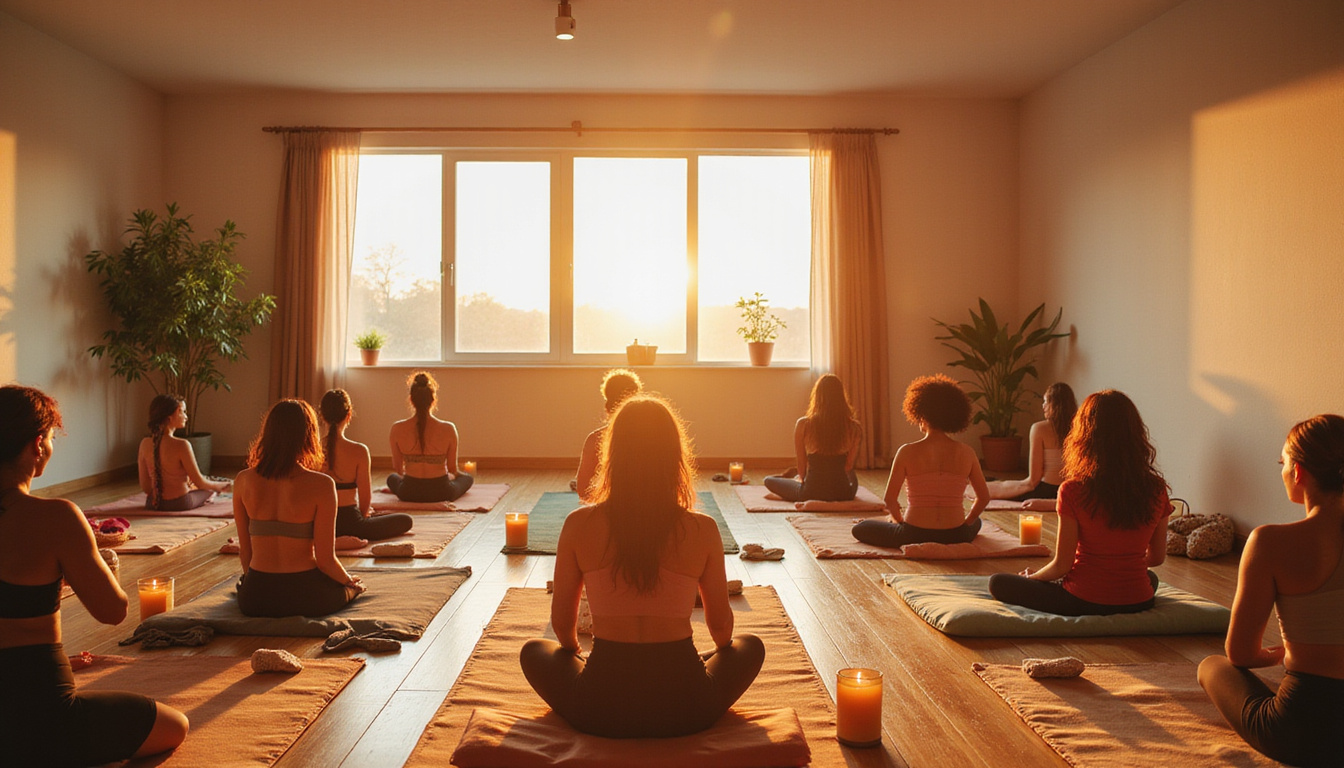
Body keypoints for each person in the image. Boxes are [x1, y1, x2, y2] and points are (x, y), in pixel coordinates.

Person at [520, 395, 765, 738]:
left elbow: (562, 628)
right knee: (749, 645)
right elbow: (722, 631)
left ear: (613, 455)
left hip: (597, 710)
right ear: (674, 457)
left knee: (534, 651)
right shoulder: (702, 529)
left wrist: (579, 659)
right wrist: (708, 657)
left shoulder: (578, 525)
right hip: (689, 709)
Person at [0, 385, 189, 763]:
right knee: (175, 726)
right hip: (42, 714)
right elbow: (112, 611)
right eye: (51, 440)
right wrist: (98, 565)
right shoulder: (56, 517)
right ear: (37, 444)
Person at [1198, 414, 1344, 766]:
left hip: (1304, 733)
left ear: (1299, 472)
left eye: (1283, 462)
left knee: (1211, 666)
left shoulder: (1269, 542)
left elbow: (1240, 654)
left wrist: (1275, 656)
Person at [988, 389, 1170, 616]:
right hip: (1138, 600)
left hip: (1082, 600)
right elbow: (1157, 557)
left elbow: (1062, 566)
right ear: (1135, 433)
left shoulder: (1073, 490)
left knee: (998, 583)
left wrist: (1032, 578)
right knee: (1150, 578)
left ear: (1085, 435)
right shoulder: (1156, 488)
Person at [232, 399, 365, 617]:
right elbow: (325, 561)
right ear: (308, 436)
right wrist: (349, 583)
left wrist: (255, 587)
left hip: (255, 600)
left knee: (244, 586)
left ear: (268, 433)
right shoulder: (322, 485)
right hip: (307, 598)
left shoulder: (243, 481)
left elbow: (245, 553)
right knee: (347, 590)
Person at [852, 374, 989, 547]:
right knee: (978, 523)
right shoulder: (968, 452)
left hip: (913, 534)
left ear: (921, 415)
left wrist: (899, 522)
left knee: (861, 528)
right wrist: (966, 523)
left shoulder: (906, 451)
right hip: (956, 535)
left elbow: (890, 499)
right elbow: (983, 497)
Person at [319, 389, 412, 541]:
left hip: (321, 525)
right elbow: (365, 500)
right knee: (405, 520)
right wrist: (363, 519)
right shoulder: (359, 451)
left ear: (322, 416)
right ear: (349, 416)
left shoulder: (312, 448)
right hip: (352, 524)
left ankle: (334, 541)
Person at [762, 374, 863, 502]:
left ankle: (790, 478)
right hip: (843, 494)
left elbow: (802, 471)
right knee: (852, 478)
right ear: (841, 398)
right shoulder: (854, 427)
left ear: (817, 397)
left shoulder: (803, 425)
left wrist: (803, 479)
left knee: (768, 481)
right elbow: (848, 467)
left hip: (811, 493)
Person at [387, 372, 473, 503]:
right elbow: (452, 469)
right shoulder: (448, 429)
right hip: (442, 492)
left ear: (411, 400)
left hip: (408, 492)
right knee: (467, 479)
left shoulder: (397, 428)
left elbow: (398, 469)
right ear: (433, 400)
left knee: (391, 478)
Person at [137, 394, 230, 511]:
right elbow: (200, 482)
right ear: (170, 417)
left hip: (152, 503)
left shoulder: (144, 443)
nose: (186, 416)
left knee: (202, 483)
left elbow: (146, 487)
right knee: (209, 489)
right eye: (183, 412)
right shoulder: (182, 445)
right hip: (180, 503)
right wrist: (220, 486)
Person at [985, 382, 1076, 501]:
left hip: (1046, 490)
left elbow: (1033, 480)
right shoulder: (1080, 428)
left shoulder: (1039, 428)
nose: (1043, 406)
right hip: (1071, 492)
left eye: (1046, 402)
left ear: (1055, 404)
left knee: (999, 486)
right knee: (1001, 484)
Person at [574, 368, 642, 502]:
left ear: (607, 406)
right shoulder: (658, 437)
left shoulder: (595, 439)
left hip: (610, 510)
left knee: (574, 519)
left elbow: (583, 491)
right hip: (653, 509)